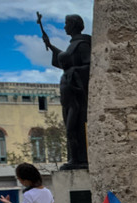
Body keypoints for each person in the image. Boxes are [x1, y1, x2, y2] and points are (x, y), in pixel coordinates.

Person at [41, 13, 91, 170]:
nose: (64, 26)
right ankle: (74, 158)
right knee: (70, 130)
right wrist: (51, 46)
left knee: (75, 129)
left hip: (78, 98)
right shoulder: (73, 45)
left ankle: (79, 159)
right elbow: (66, 60)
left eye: (66, 23)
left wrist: (72, 71)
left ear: (74, 24)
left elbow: (89, 66)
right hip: (68, 99)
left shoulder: (82, 44)